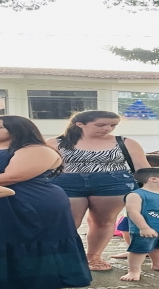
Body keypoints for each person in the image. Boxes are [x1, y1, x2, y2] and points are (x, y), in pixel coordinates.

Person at [0, 115, 92, 289]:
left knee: (11, 238)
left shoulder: (36, 150)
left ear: (17, 129)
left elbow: (12, 177)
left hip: (21, 201)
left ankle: (19, 283)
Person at [46, 110, 149, 271]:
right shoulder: (55, 142)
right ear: (79, 124)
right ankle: (62, 257)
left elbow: (142, 168)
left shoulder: (126, 142)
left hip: (112, 182)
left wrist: (152, 190)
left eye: (113, 125)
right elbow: (43, 167)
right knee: (67, 222)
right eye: (100, 125)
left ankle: (93, 257)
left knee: (103, 221)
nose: (107, 128)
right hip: (66, 182)